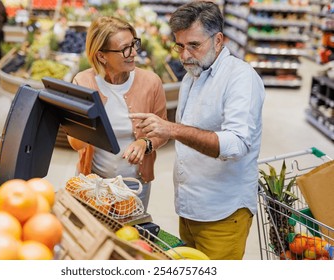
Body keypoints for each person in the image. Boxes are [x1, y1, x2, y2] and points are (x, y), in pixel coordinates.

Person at [130, 1, 265, 260]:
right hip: (190, 208)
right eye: (179, 46)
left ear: (218, 40)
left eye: (194, 45)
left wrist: (172, 129)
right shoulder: (192, 76)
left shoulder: (241, 78)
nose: (184, 55)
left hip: (223, 212)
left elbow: (236, 144)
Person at [67, 16, 168, 212]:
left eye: (134, 44)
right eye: (125, 48)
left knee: (130, 237)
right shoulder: (83, 82)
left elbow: (162, 131)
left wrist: (144, 143)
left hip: (134, 184)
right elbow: (75, 144)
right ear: (101, 56)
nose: (134, 53)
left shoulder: (151, 82)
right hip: (93, 182)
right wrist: (81, 124)